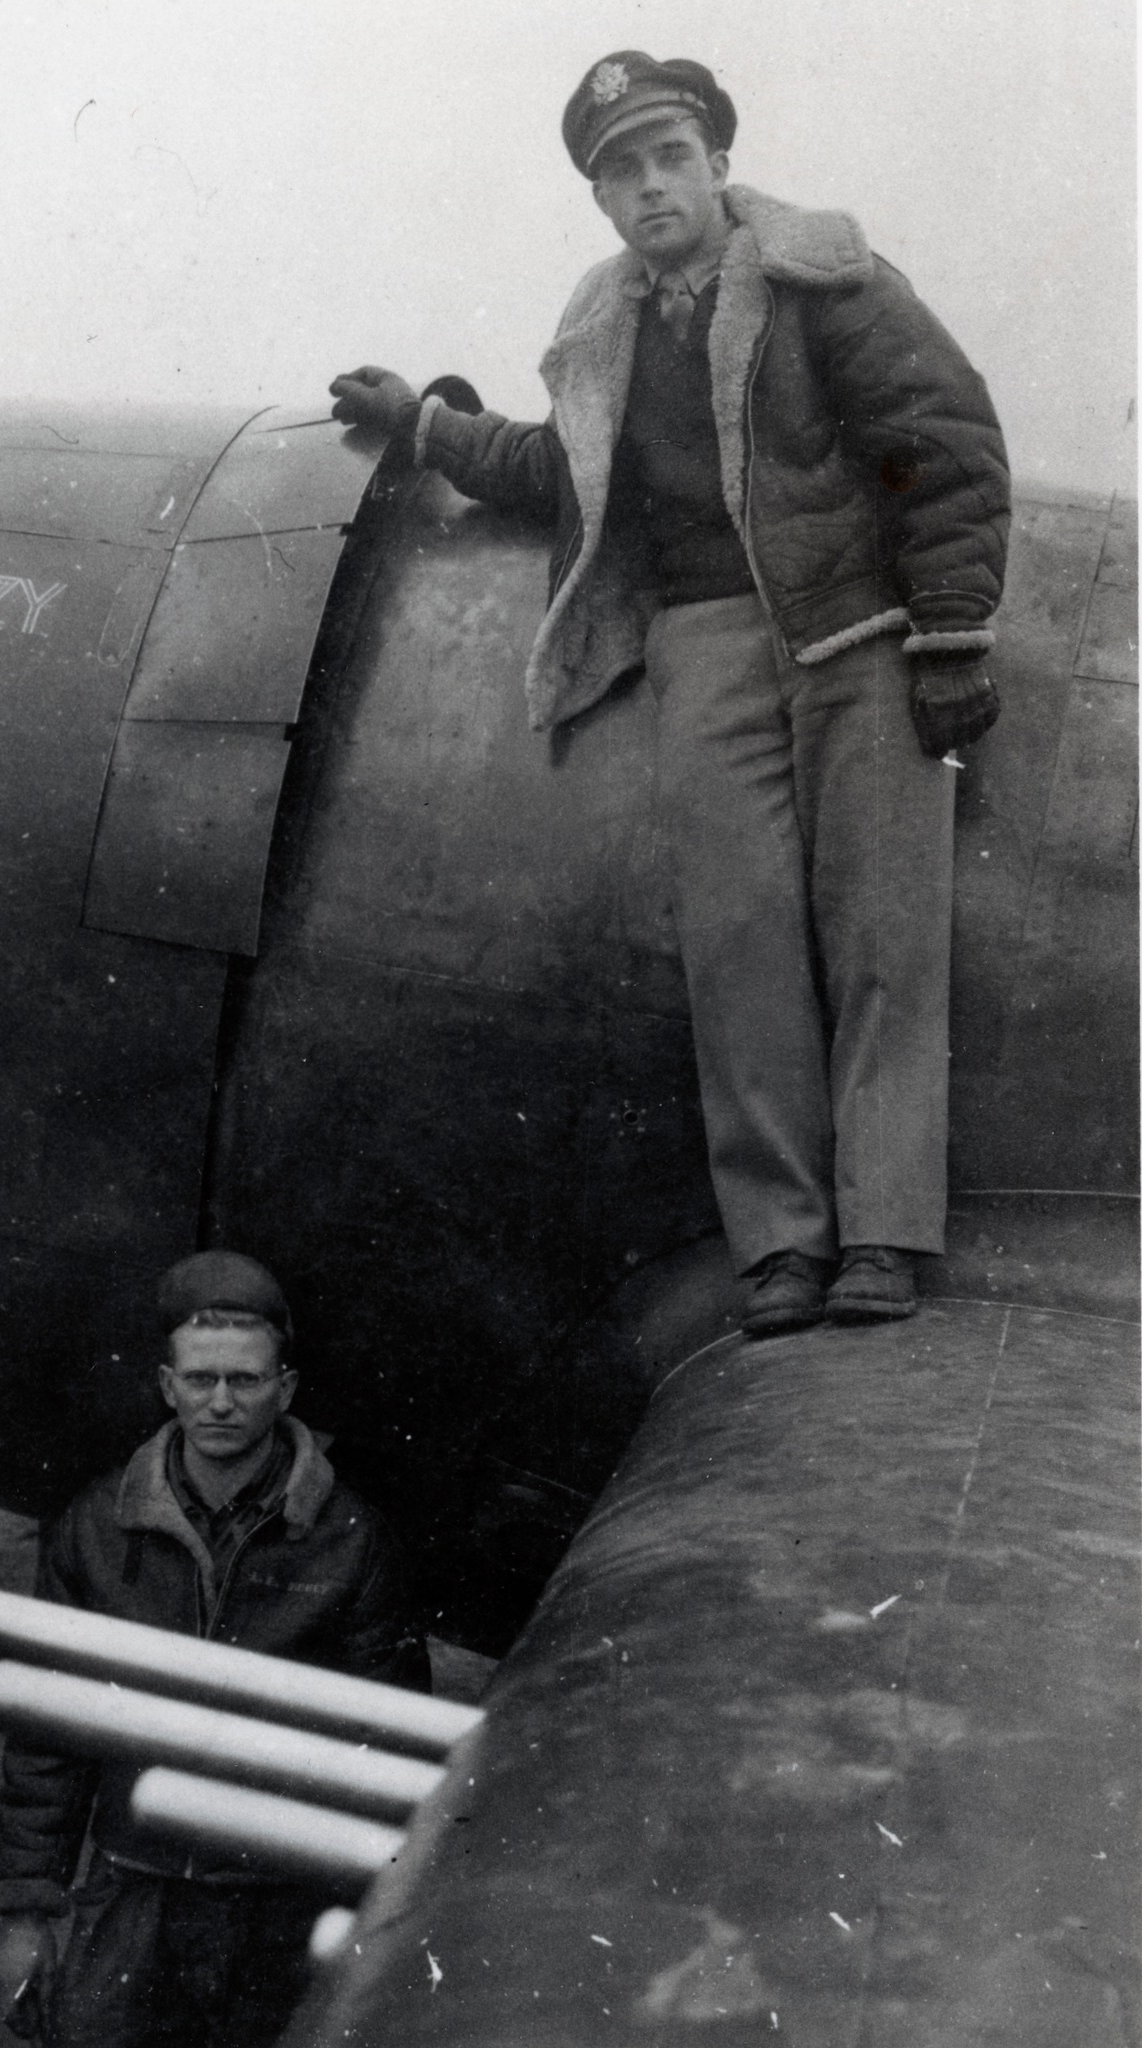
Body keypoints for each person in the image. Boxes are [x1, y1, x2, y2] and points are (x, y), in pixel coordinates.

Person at [330, 54, 1010, 1339]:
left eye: (667, 158)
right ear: (599, 201)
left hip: (857, 633)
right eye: (619, 172)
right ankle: (783, 1247)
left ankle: (882, 1236)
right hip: (703, 645)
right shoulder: (606, 327)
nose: (649, 188)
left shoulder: (824, 274)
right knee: (737, 947)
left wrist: (955, 632)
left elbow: (947, 438)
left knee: (882, 933)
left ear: (714, 161)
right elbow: (559, 468)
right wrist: (425, 425)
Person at [0, 1250, 429, 2047]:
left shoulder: (352, 1539)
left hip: (282, 1897)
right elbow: (46, 1734)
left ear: (285, 1389)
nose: (220, 1403)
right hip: (132, 1891)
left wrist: (377, 1921)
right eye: (200, 1381)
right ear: (168, 1387)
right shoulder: (94, 1529)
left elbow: (388, 1747)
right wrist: (30, 1910)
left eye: (246, 1381)